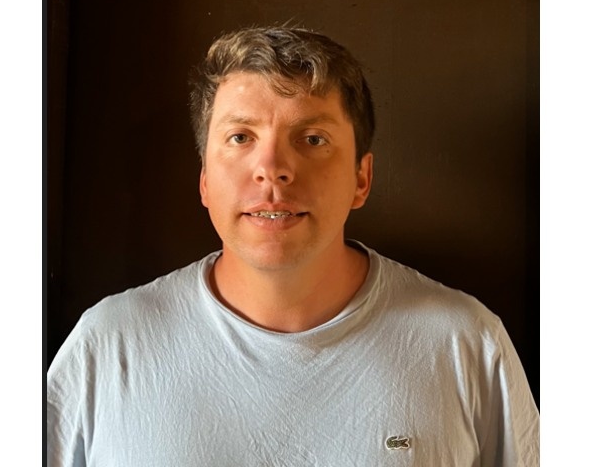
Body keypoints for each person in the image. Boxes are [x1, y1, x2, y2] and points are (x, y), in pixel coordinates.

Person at [47, 26, 539, 466]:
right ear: (204, 180)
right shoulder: (107, 346)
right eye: (241, 137)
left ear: (361, 178)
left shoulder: (466, 344)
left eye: (312, 138)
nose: (272, 168)